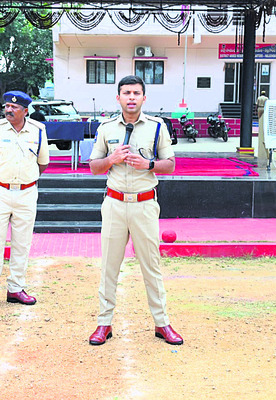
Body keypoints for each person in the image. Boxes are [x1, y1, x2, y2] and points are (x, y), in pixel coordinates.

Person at [87, 75, 183, 346]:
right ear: (118, 97)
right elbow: (94, 166)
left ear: (144, 97)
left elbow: (171, 164)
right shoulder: (106, 128)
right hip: (115, 204)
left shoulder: (156, 127)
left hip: (144, 204)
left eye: (136, 93)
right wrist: (111, 159)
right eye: (126, 93)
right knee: (109, 267)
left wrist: (148, 164)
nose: (131, 97)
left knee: (151, 266)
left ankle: (162, 323)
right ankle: (104, 324)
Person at [0, 91, 49, 311]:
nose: (9, 110)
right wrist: (4, 179)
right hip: (0, 190)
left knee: (22, 242)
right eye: (7, 106)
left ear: (26, 111)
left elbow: (43, 163)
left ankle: (16, 288)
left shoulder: (38, 130)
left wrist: (24, 179)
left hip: (27, 193)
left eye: (14, 107)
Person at [256, 90, 269, 167]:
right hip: (264, 108)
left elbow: (256, 105)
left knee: (259, 119)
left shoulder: (259, 98)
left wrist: (255, 110)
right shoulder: (266, 98)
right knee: (263, 119)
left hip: (259, 109)